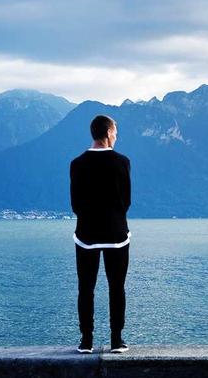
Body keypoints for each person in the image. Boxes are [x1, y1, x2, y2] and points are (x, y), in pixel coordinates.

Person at [69, 114, 131, 354]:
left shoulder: (77, 163)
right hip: (117, 234)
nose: (116, 136)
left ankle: (86, 341)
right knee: (117, 287)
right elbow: (126, 200)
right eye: (115, 132)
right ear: (107, 133)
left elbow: (75, 203)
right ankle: (117, 340)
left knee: (86, 288)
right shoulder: (122, 162)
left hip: (86, 234)